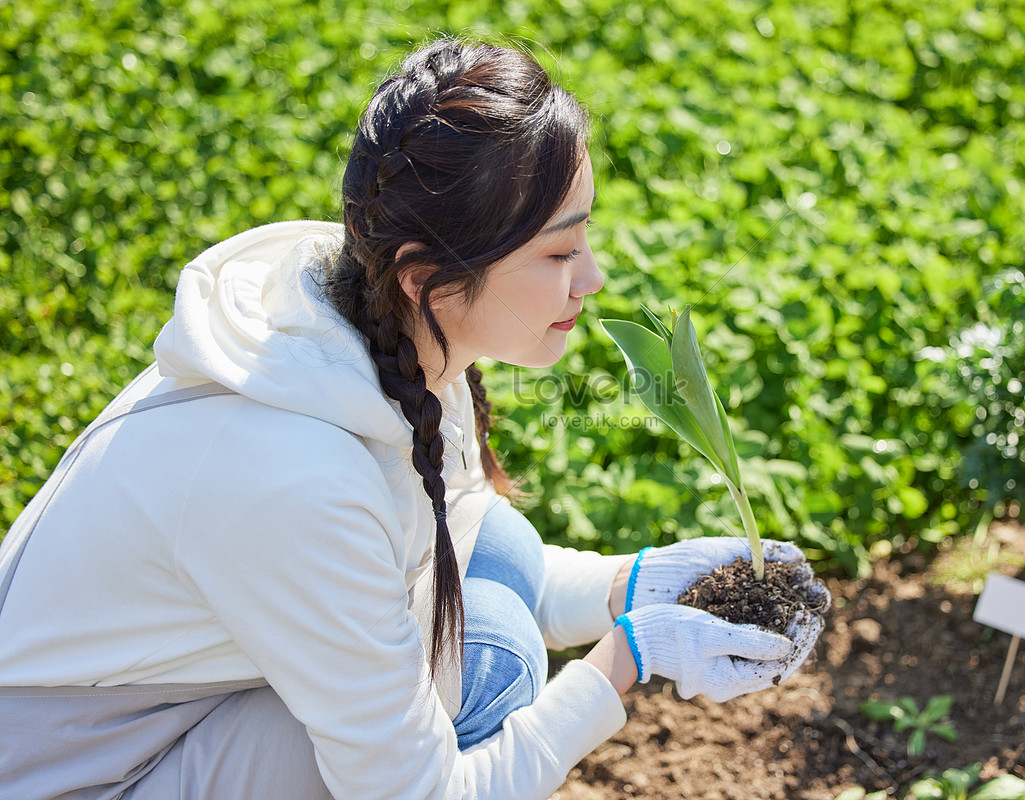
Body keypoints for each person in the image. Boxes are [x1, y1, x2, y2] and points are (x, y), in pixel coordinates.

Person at [0, 37, 829, 800]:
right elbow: (420, 794)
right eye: (557, 251)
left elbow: (452, 538)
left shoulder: (392, 329)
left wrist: (633, 586)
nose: (595, 277)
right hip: (80, 767)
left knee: (496, 553)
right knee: (495, 660)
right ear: (425, 272)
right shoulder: (290, 476)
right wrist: (630, 659)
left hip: (173, 701)